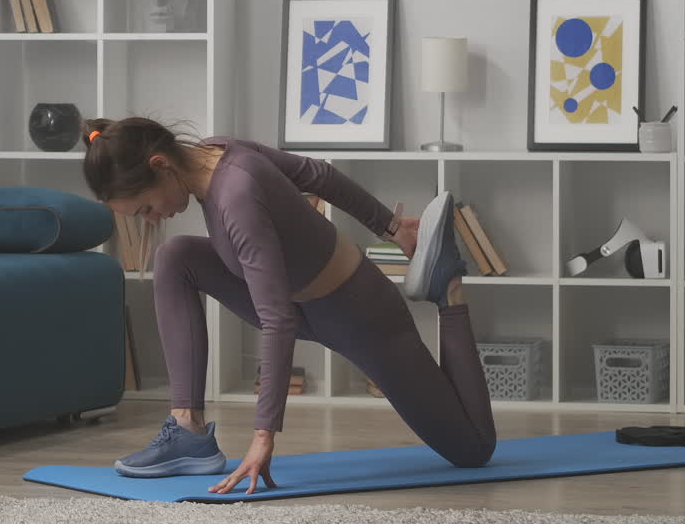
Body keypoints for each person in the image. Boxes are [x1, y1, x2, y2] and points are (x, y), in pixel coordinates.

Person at [81, 117, 496, 496]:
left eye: (146, 208)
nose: (152, 219)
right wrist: (393, 228)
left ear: (161, 165)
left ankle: (448, 290)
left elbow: (276, 320)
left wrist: (263, 437)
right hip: (302, 306)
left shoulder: (236, 195)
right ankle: (187, 429)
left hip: (360, 315)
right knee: (175, 257)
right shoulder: (215, 153)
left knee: (472, 449)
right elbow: (319, 175)